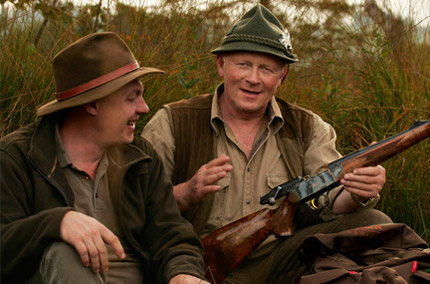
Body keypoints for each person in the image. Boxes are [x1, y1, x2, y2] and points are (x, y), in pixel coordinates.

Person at [142, 4, 392, 283]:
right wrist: (187, 193)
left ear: (282, 76)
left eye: (267, 69)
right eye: (244, 64)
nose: (253, 79)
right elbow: (139, 209)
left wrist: (357, 191)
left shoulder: (308, 127)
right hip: (198, 265)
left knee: (374, 223)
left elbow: (330, 203)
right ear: (221, 65)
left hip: (280, 261)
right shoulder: (172, 122)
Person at [0, 32, 209, 284]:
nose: (144, 108)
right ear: (93, 105)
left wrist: (182, 274)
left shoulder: (141, 158)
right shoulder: (14, 158)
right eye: (131, 98)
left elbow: (172, 236)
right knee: (64, 251)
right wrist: (56, 223)